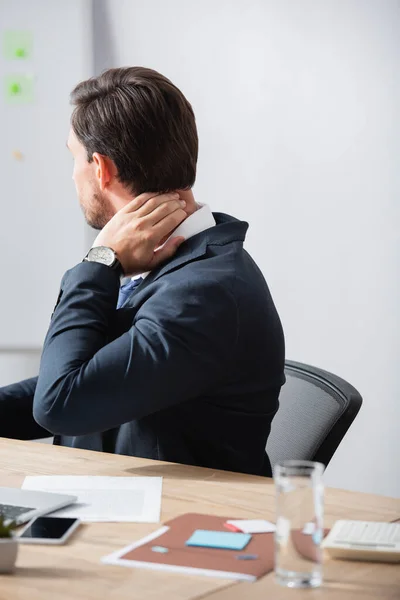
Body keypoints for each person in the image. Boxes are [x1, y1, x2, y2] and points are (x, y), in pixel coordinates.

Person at [0, 67, 285, 476]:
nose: (74, 175)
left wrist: (98, 261)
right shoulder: (169, 261)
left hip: (177, 524)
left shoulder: (204, 293)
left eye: (73, 158)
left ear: (101, 168)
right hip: (115, 499)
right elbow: (91, 375)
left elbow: (60, 401)